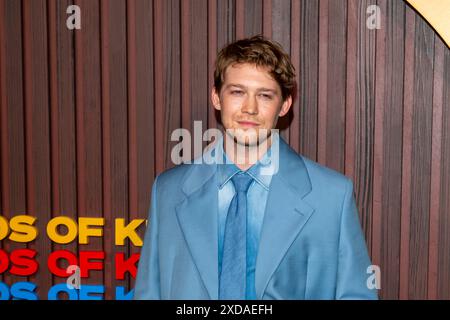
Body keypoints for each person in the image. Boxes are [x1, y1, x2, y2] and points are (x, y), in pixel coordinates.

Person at [134, 35, 378, 300]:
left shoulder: (331, 196)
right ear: (217, 97)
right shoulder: (168, 191)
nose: (249, 108)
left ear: (284, 105)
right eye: (237, 92)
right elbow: (149, 292)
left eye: (264, 95)